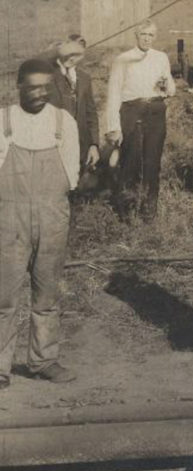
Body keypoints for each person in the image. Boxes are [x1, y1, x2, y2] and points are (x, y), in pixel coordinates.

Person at [0, 59, 82, 388]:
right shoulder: (4, 120)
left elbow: (71, 175)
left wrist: (51, 204)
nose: (39, 93)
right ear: (18, 86)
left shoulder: (64, 122)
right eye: (31, 87)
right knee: (5, 294)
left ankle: (43, 360)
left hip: (52, 214)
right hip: (10, 216)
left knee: (46, 292)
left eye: (44, 87)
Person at [107, 21, 176, 220]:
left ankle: (149, 209)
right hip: (132, 110)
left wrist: (166, 86)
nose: (147, 38)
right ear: (136, 36)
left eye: (151, 35)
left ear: (155, 37)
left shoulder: (161, 57)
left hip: (155, 110)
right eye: (143, 34)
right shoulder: (123, 59)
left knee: (153, 160)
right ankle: (126, 209)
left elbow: (170, 88)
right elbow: (113, 93)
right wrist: (114, 127)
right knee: (131, 159)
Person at [48, 40, 99, 174]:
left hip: (81, 145)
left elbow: (91, 114)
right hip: (55, 144)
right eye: (68, 53)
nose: (71, 58)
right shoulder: (48, 77)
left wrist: (94, 144)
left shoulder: (85, 78)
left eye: (77, 55)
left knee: (78, 185)